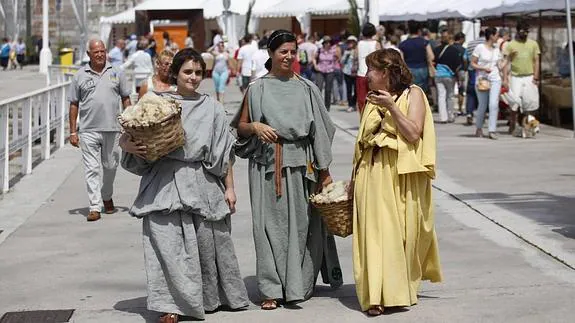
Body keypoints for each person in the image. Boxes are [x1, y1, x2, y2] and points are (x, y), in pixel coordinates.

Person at [120, 48, 249, 323]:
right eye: (187, 72)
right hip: (163, 184)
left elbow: (224, 152)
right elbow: (133, 136)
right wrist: (125, 144)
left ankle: (207, 298)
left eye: (198, 72)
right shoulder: (157, 104)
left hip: (203, 181)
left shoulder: (212, 107)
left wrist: (230, 188)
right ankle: (170, 304)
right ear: (175, 73)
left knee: (206, 246)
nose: (193, 77)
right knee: (167, 247)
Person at [232, 29, 343, 311]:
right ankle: (270, 288)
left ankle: (297, 286)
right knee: (268, 227)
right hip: (267, 165)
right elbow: (241, 126)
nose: (289, 56)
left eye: (293, 51)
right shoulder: (257, 88)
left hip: (302, 164)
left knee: (301, 226)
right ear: (271, 53)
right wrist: (255, 127)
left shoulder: (307, 88)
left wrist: (324, 170)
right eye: (283, 51)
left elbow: (321, 129)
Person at [349, 48, 442, 316]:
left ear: (386, 73)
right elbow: (361, 142)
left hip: (400, 173)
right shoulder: (370, 100)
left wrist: (391, 106)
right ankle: (375, 296)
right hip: (372, 171)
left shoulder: (414, 94)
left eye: (370, 70)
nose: (366, 76)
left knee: (401, 233)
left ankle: (397, 291)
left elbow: (413, 133)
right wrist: (353, 179)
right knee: (373, 235)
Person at [67, 39, 131, 222]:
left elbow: (126, 98)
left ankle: (107, 195)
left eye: (103, 51)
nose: (101, 54)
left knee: (111, 166)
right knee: (92, 169)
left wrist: (130, 122)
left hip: (112, 129)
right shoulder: (79, 75)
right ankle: (94, 206)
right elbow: (73, 104)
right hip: (88, 130)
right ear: (89, 54)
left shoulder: (117, 72)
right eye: (96, 52)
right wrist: (73, 131)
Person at [503, 20, 541, 134]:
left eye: (527, 32)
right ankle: (512, 124)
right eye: (523, 32)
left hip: (529, 77)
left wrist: (536, 77)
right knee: (514, 103)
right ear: (518, 31)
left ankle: (529, 125)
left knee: (530, 102)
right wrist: (505, 78)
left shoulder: (533, 44)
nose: (525, 34)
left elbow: (536, 61)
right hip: (516, 77)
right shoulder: (511, 45)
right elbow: (506, 62)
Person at [471, 27, 503, 140]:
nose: (498, 37)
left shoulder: (497, 49)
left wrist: (508, 59)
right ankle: (479, 127)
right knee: (482, 105)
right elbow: (472, 63)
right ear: (491, 36)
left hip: (495, 78)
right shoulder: (480, 47)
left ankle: (492, 130)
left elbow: (500, 65)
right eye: (497, 35)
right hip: (482, 79)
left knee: (493, 104)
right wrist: (483, 68)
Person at [399, 21, 435, 98]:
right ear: (419, 30)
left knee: (410, 92)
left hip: (409, 69)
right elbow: (431, 56)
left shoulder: (403, 44)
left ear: (408, 30)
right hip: (423, 69)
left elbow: (401, 60)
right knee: (422, 92)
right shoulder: (425, 42)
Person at [434, 30, 463, 123]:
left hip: (438, 75)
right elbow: (458, 65)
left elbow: (433, 61)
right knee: (450, 96)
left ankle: (443, 117)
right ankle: (450, 115)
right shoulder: (454, 50)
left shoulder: (436, 50)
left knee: (441, 96)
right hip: (450, 76)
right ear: (450, 39)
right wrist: (458, 77)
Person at [357, 23, 383, 114]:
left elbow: (355, 57)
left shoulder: (359, 44)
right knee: (375, 97)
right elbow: (381, 58)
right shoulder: (376, 44)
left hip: (361, 73)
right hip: (374, 73)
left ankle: (363, 119)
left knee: (361, 98)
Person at [313, 36, 341, 111]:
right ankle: (318, 105)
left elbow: (338, 58)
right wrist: (315, 65)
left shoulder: (333, 50)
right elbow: (314, 58)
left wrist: (335, 62)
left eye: (329, 42)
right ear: (323, 43)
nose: (328, 44)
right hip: (320, 70)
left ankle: (327, 106)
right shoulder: (320, 50)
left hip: (330, 71)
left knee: (328, 89)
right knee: (319, 87)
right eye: (326, 42)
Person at [341, 35, 358, 112]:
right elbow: (342, 62)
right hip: (347, 72)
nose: (350, 43)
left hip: (356, 72)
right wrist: (346, 55)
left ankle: (354, 103)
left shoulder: (358, 51)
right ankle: (350, 105)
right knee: (349, 89)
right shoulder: (346, 51)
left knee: (356, 89)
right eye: (349, 42)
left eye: (352, 42)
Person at [453, 32, 467, 114]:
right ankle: (460, 108)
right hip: (461, 70)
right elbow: (465, 59)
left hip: (450, 71)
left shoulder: (451, 47)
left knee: (450, 91)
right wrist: (465, 68)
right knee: (461, 90)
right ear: (461, 39)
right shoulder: (463, 49)